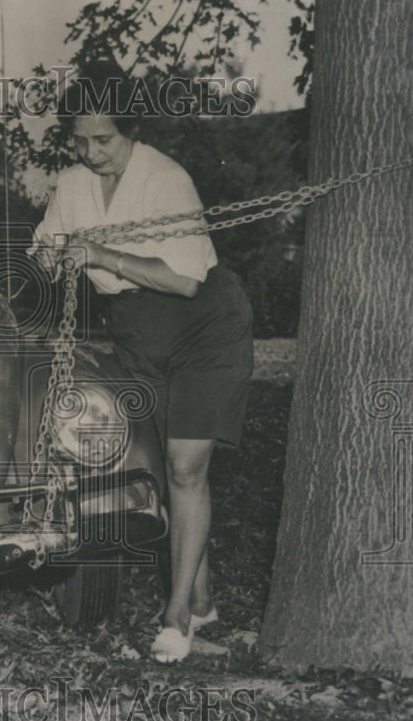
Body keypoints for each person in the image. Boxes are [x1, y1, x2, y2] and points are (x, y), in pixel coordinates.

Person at [31, 67, 253, 663]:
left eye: (104, 139)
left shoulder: (166, 179)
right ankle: (204, 606)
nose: (91, 151)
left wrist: (100, 252)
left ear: (129, 130)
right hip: (135, 334)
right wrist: (52, 256)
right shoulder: (73, 183)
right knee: (162, 472)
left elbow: (182, 280)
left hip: (202, 328)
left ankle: (175, 617)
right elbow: (45, 247)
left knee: (186, 468)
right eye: (81, 140)